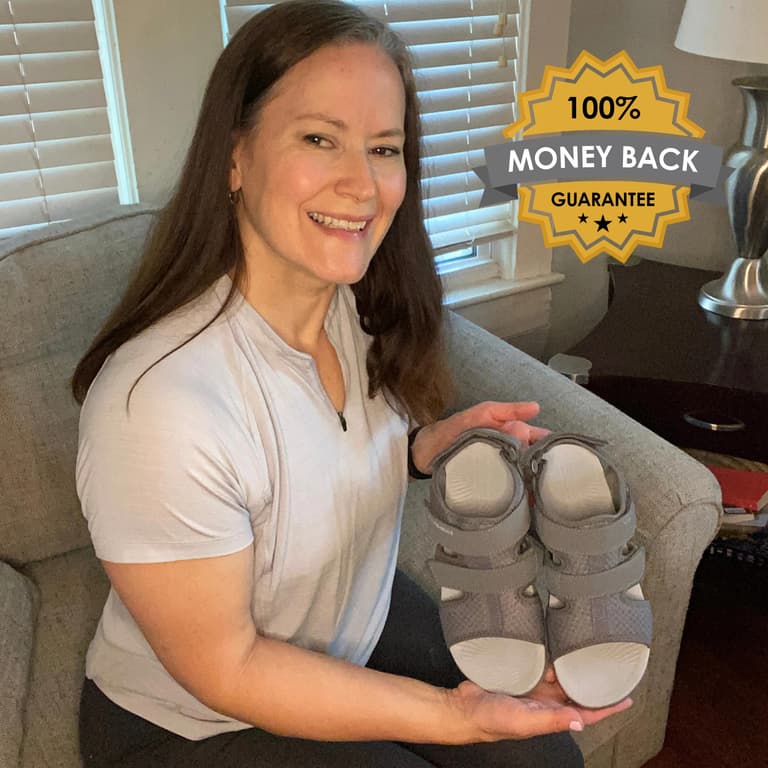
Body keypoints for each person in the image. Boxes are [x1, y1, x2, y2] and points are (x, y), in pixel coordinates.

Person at [72, 2, 631, 765]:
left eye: (383, 148)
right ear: (234, 157)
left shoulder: (347, 304)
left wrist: (422, 449)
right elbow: (229, 667)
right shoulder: (159, 406)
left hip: (347, 631)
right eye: (319, 139)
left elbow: (310, 455)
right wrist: (453, 715)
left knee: (543, 757)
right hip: (195, 722)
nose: (362, 184)